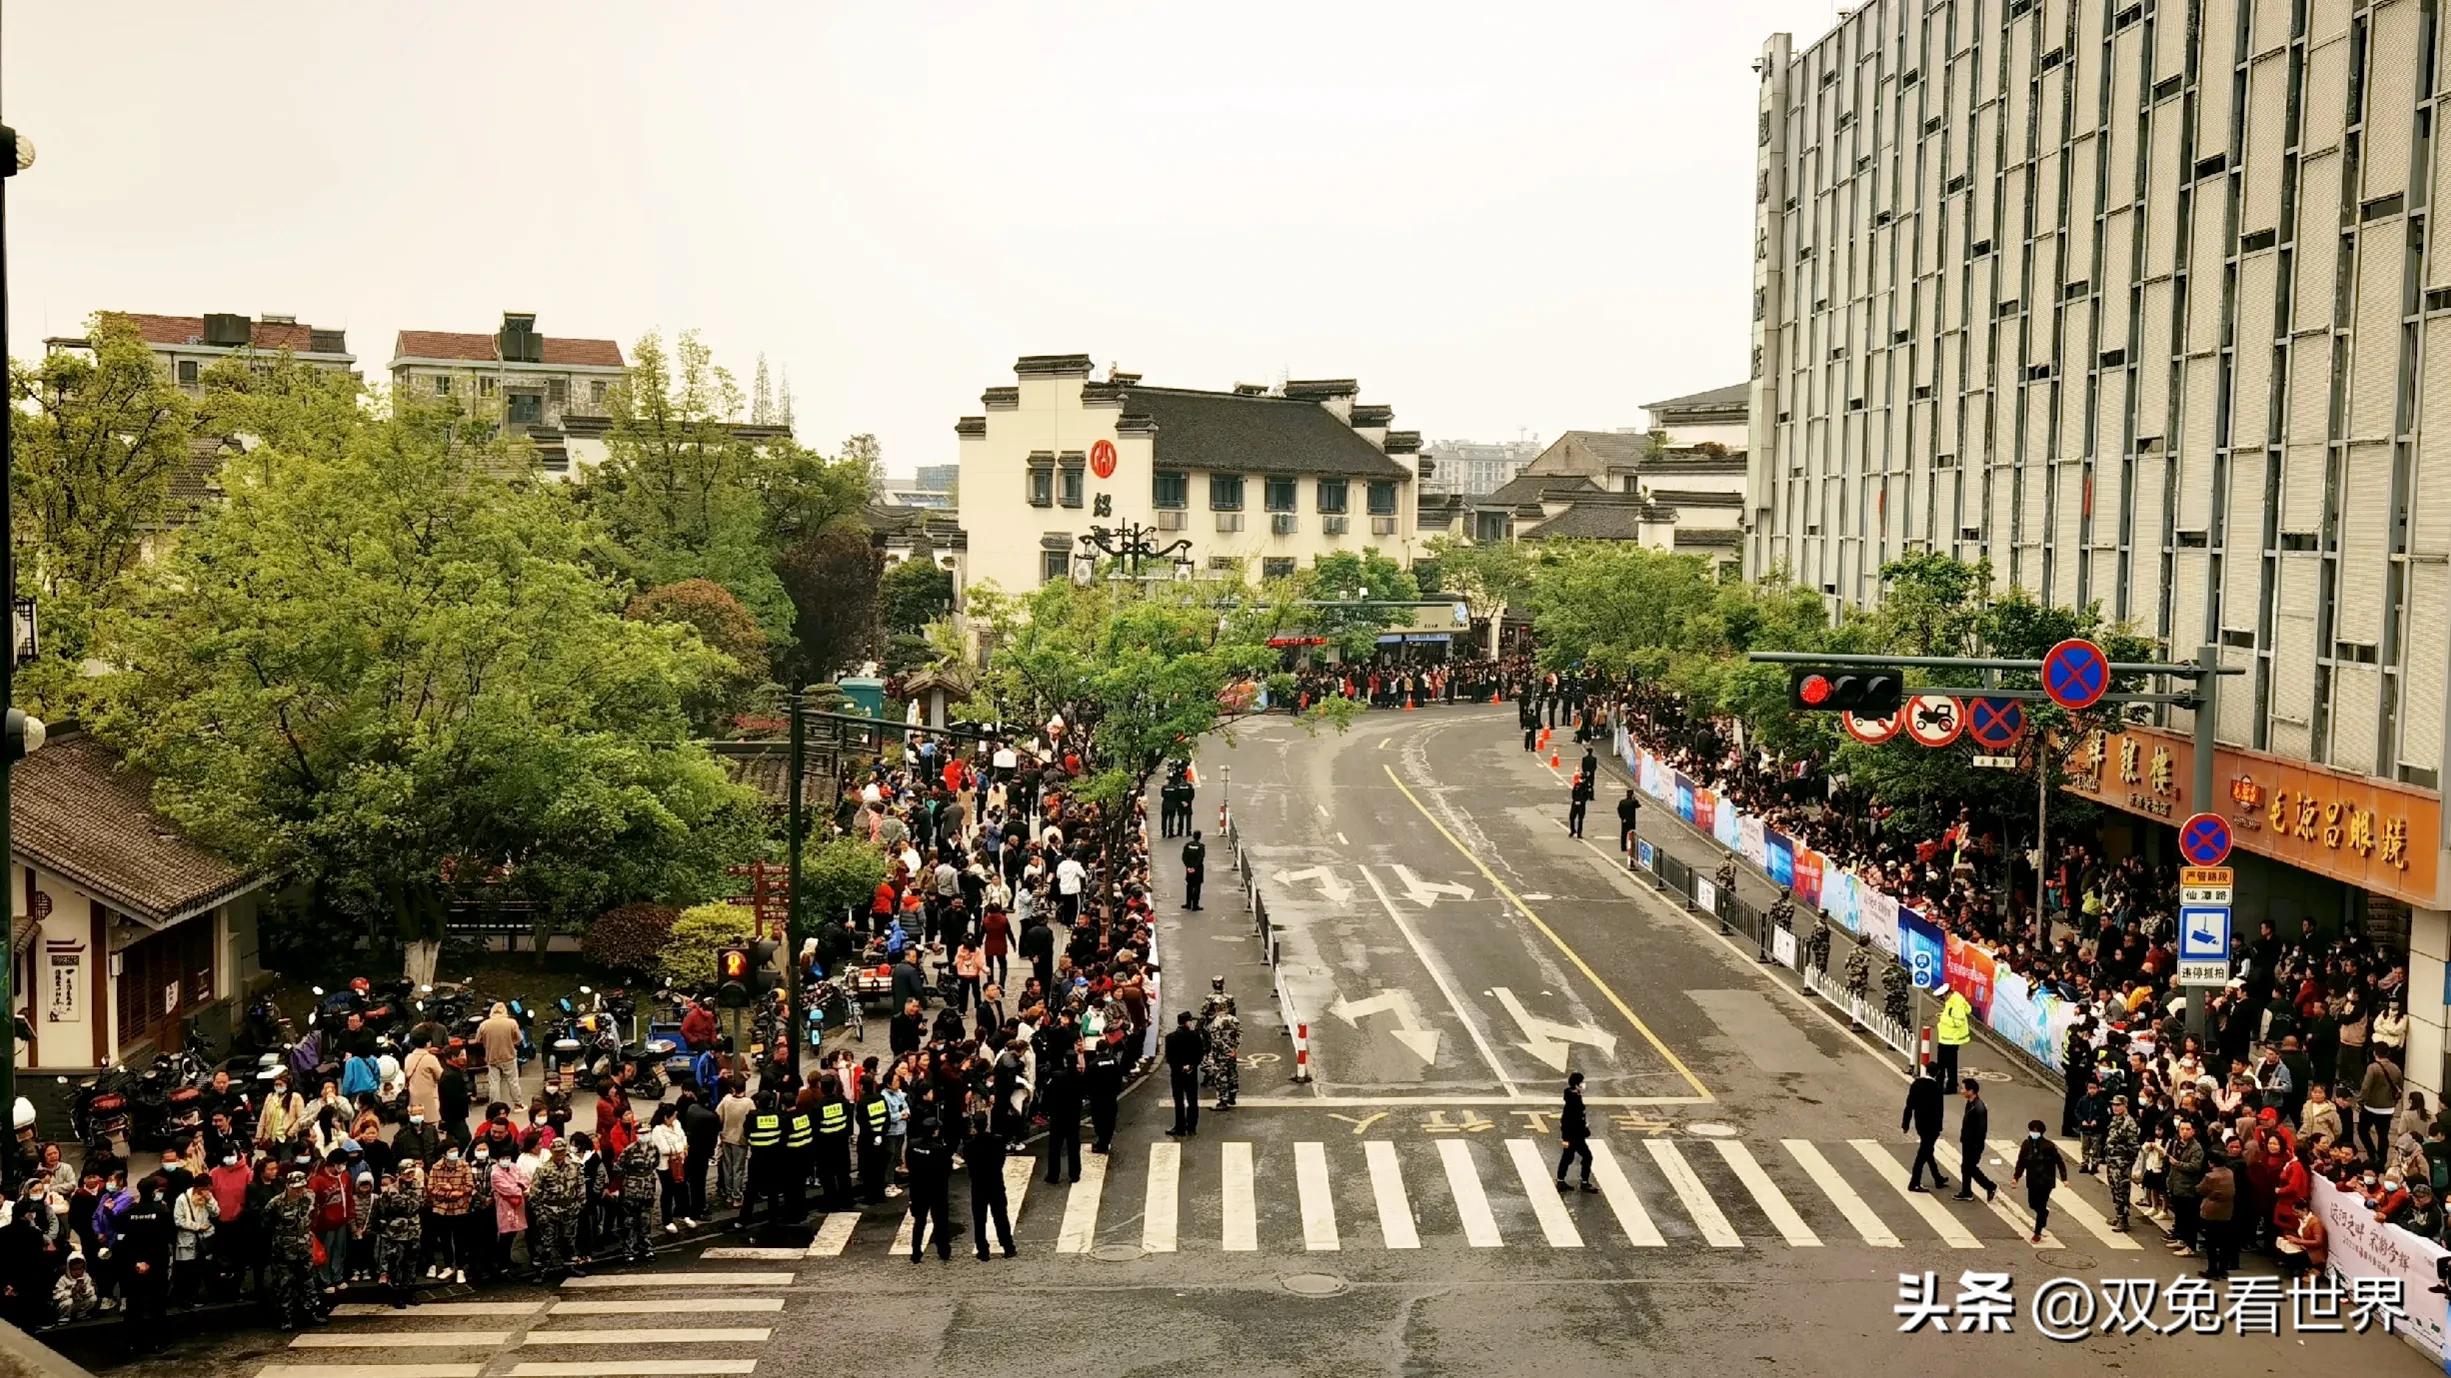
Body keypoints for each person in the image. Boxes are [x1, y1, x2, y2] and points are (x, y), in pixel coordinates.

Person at [263, 1171, 322, 1332]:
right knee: (284, 1284)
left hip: (304, 1246)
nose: (299, 1191)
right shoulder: (276, 1203)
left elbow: (314, 1215)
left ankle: (312, 1312)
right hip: (284, 1249)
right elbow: (266, 1222)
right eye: (296, 1188)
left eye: (302, 1187)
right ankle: (285, 1318)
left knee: (308, 1282)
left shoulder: (310, 1197)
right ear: (288, 1186)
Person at [964, 1117, 1015, 1261]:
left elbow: (969, 1163)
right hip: (995, 1183)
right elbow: (1002, 1159)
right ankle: (1008, 1247)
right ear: (987, 1125)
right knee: (1000, 1216)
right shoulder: (997, 1141)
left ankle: (983, 1250)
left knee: (979, 1219)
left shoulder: (969, 1145)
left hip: (978, 1185)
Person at [904, 1120, 954, 1264]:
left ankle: (915, 1252)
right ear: (935, 1131)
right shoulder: (939, 1149)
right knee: (940, 1221)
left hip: (918, 1188)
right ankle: (943, 1250)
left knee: (919, 1221)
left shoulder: (913, 1145)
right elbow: (947, 1170)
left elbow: (909, 1163)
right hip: (937, 1190)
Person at [2010, 1119, 2067, 1244]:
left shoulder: (2048, 1146)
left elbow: (2059, 1161)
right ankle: (2043, 1214)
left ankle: (2037, 1232)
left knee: (2041, 1205)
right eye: (2032, 1130)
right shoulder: (2026, 1144)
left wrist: (2064, 1178)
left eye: (2036, 1131)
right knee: (2032, 1204)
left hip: (2046, 1181)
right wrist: (2016, 1177)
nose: (2033, 1133)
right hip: (2032, 1180)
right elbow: (2021, 1162)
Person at [1901, 1064, 1949, 1192]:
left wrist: (1905, 1124)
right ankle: (1914, 1182)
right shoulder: (1936, 1088)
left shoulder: (1916, 1084)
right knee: (1923, 1154)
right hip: (1932, 1126)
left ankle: (1937, 1178)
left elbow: (1909, 1105)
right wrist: (1939, 1127)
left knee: (1927, 1150)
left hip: (1920, 1124)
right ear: (1937, 1073)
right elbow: (1939, 1110)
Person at [2196, 1144, 2238, 1279]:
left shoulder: (2210, 1176)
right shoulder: (2230, 1173)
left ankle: (2212, 1269)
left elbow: (2200, 1189)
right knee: (2224, 1241)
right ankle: (2222, 1269)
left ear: (2211, 1162)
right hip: (2226, 1211)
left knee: (2211, 1243)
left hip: (2211, 1210)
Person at [1951, 1082, 1996, 1202]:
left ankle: (1989, 1186)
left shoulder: (1979, 1108)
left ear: (1971, 1091)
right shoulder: (1970, 1103)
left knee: (1969, 1167)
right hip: (1968, 1142)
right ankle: (1967, 1191)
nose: (1961, 1090)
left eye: (1963, 1088)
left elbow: (1981, 1129)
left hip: (1974, 1144)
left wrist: (1975, 1145)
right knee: (1966, 1167)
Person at [2102, 1094, 2141, 1231]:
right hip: (2112, 1160)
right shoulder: (2116, 1119)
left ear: (2125, 1106)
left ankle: (2123, 1220)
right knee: (2114, 1189)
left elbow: (2134, 1146)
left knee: (2122, 1190)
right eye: (2113, 1104)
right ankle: (2119, 1216)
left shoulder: (2128, 1123)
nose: (2115, 1107)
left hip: (2122, 1162)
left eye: (2118, 1105)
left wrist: (2126, 1163)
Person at [1164, 1012, 1205, 1138]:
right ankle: (1192, 1127)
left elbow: (1169, 1057)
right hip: (1191, 1073)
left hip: (1177, 1074)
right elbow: (1199, 1054)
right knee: (1192, 1100)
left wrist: (1180, 1067)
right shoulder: (1195, 1036)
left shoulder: (1170, 1037)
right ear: (1187, 1022)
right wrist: (1191, 1065)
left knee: (1179, 1101)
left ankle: (1179, 1127)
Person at [477, 1004, 524, 1111]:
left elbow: (477, 1039)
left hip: (492, 1057)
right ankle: (518, 1104)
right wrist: (512, 1043)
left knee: (494, 1082)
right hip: (509, 1056)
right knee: (513, 1082)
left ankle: (495, 1107)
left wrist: (487, 1042)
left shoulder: (484, 1024)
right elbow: (519, 1039)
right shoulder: (511, 1022)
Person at [1554, 1071, 1595, 1191]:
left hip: (1576, 1135)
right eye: (1581, 1082)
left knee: (1568, 1157)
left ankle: (1561, 1181)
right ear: (1577, 1085)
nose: (1583, 1085)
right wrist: (1566, 1138)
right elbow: (1566, 1121)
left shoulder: (1574, 1096)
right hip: (1574, 1136)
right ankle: (1584, 1182)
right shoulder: (1573, 1102)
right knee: (1587, 1157)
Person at [1934, 989, 1972, 1092]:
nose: (1942, 1000)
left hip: (1950, 1039)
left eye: (1942, 997)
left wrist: (1943, 1019)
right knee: (1949, 1064)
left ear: (1947, 994)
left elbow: (1958, 1022)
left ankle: (1945, 1086)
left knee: (1944, 1064)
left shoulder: (1956, 1003)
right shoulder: (1954, 1001)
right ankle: (1949, 1084)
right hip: (1949, 1038)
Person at [1181, 832, 1206, 911]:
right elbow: (1200, 858)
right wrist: (1195, 867)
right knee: (1197, 887)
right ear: (1199, 837)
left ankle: (1188, 904)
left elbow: (1184, 857)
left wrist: (1188, 866)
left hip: (1189, 868)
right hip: (1198, 869)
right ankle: (1195, 905)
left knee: (1189, 886)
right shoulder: (1201, 847)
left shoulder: (1187, 845)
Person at [1566, 769, 1590, 838]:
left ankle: (1579, 833)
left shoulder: (1586, 786)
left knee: (1580, 819)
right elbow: (1573, 793)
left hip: (1581, 805)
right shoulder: (1577, 785)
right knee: (1572, 817)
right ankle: (1572, 830)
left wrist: (1581, 801)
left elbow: (1586, 796)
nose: (1581, 779)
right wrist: (1575, 800)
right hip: (1575, 803)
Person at [1616, 789, 1640, 859]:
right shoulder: (1633, 802)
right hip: (1631, 821)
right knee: (1632, 835)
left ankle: (1623, 847)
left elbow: (1619, 810)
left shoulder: (1622, 802)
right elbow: (1638, 805)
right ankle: (1632, 848)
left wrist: (1622, 818)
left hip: (1624, 821)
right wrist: (1635, 799)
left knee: (1623, 834)